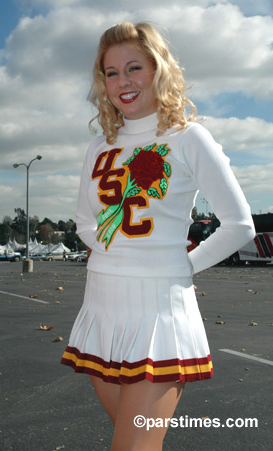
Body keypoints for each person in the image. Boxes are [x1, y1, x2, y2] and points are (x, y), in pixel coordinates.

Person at [61, 22, 255, 450]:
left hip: (158, 315)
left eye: (134, 68)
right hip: (101, 309)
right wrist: (116, 257)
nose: (123, 82)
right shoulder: (99, 147)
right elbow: (83, 221)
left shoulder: (188, 138)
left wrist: (179, 266)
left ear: (158, 69)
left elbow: (240, 225)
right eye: (111, 73)